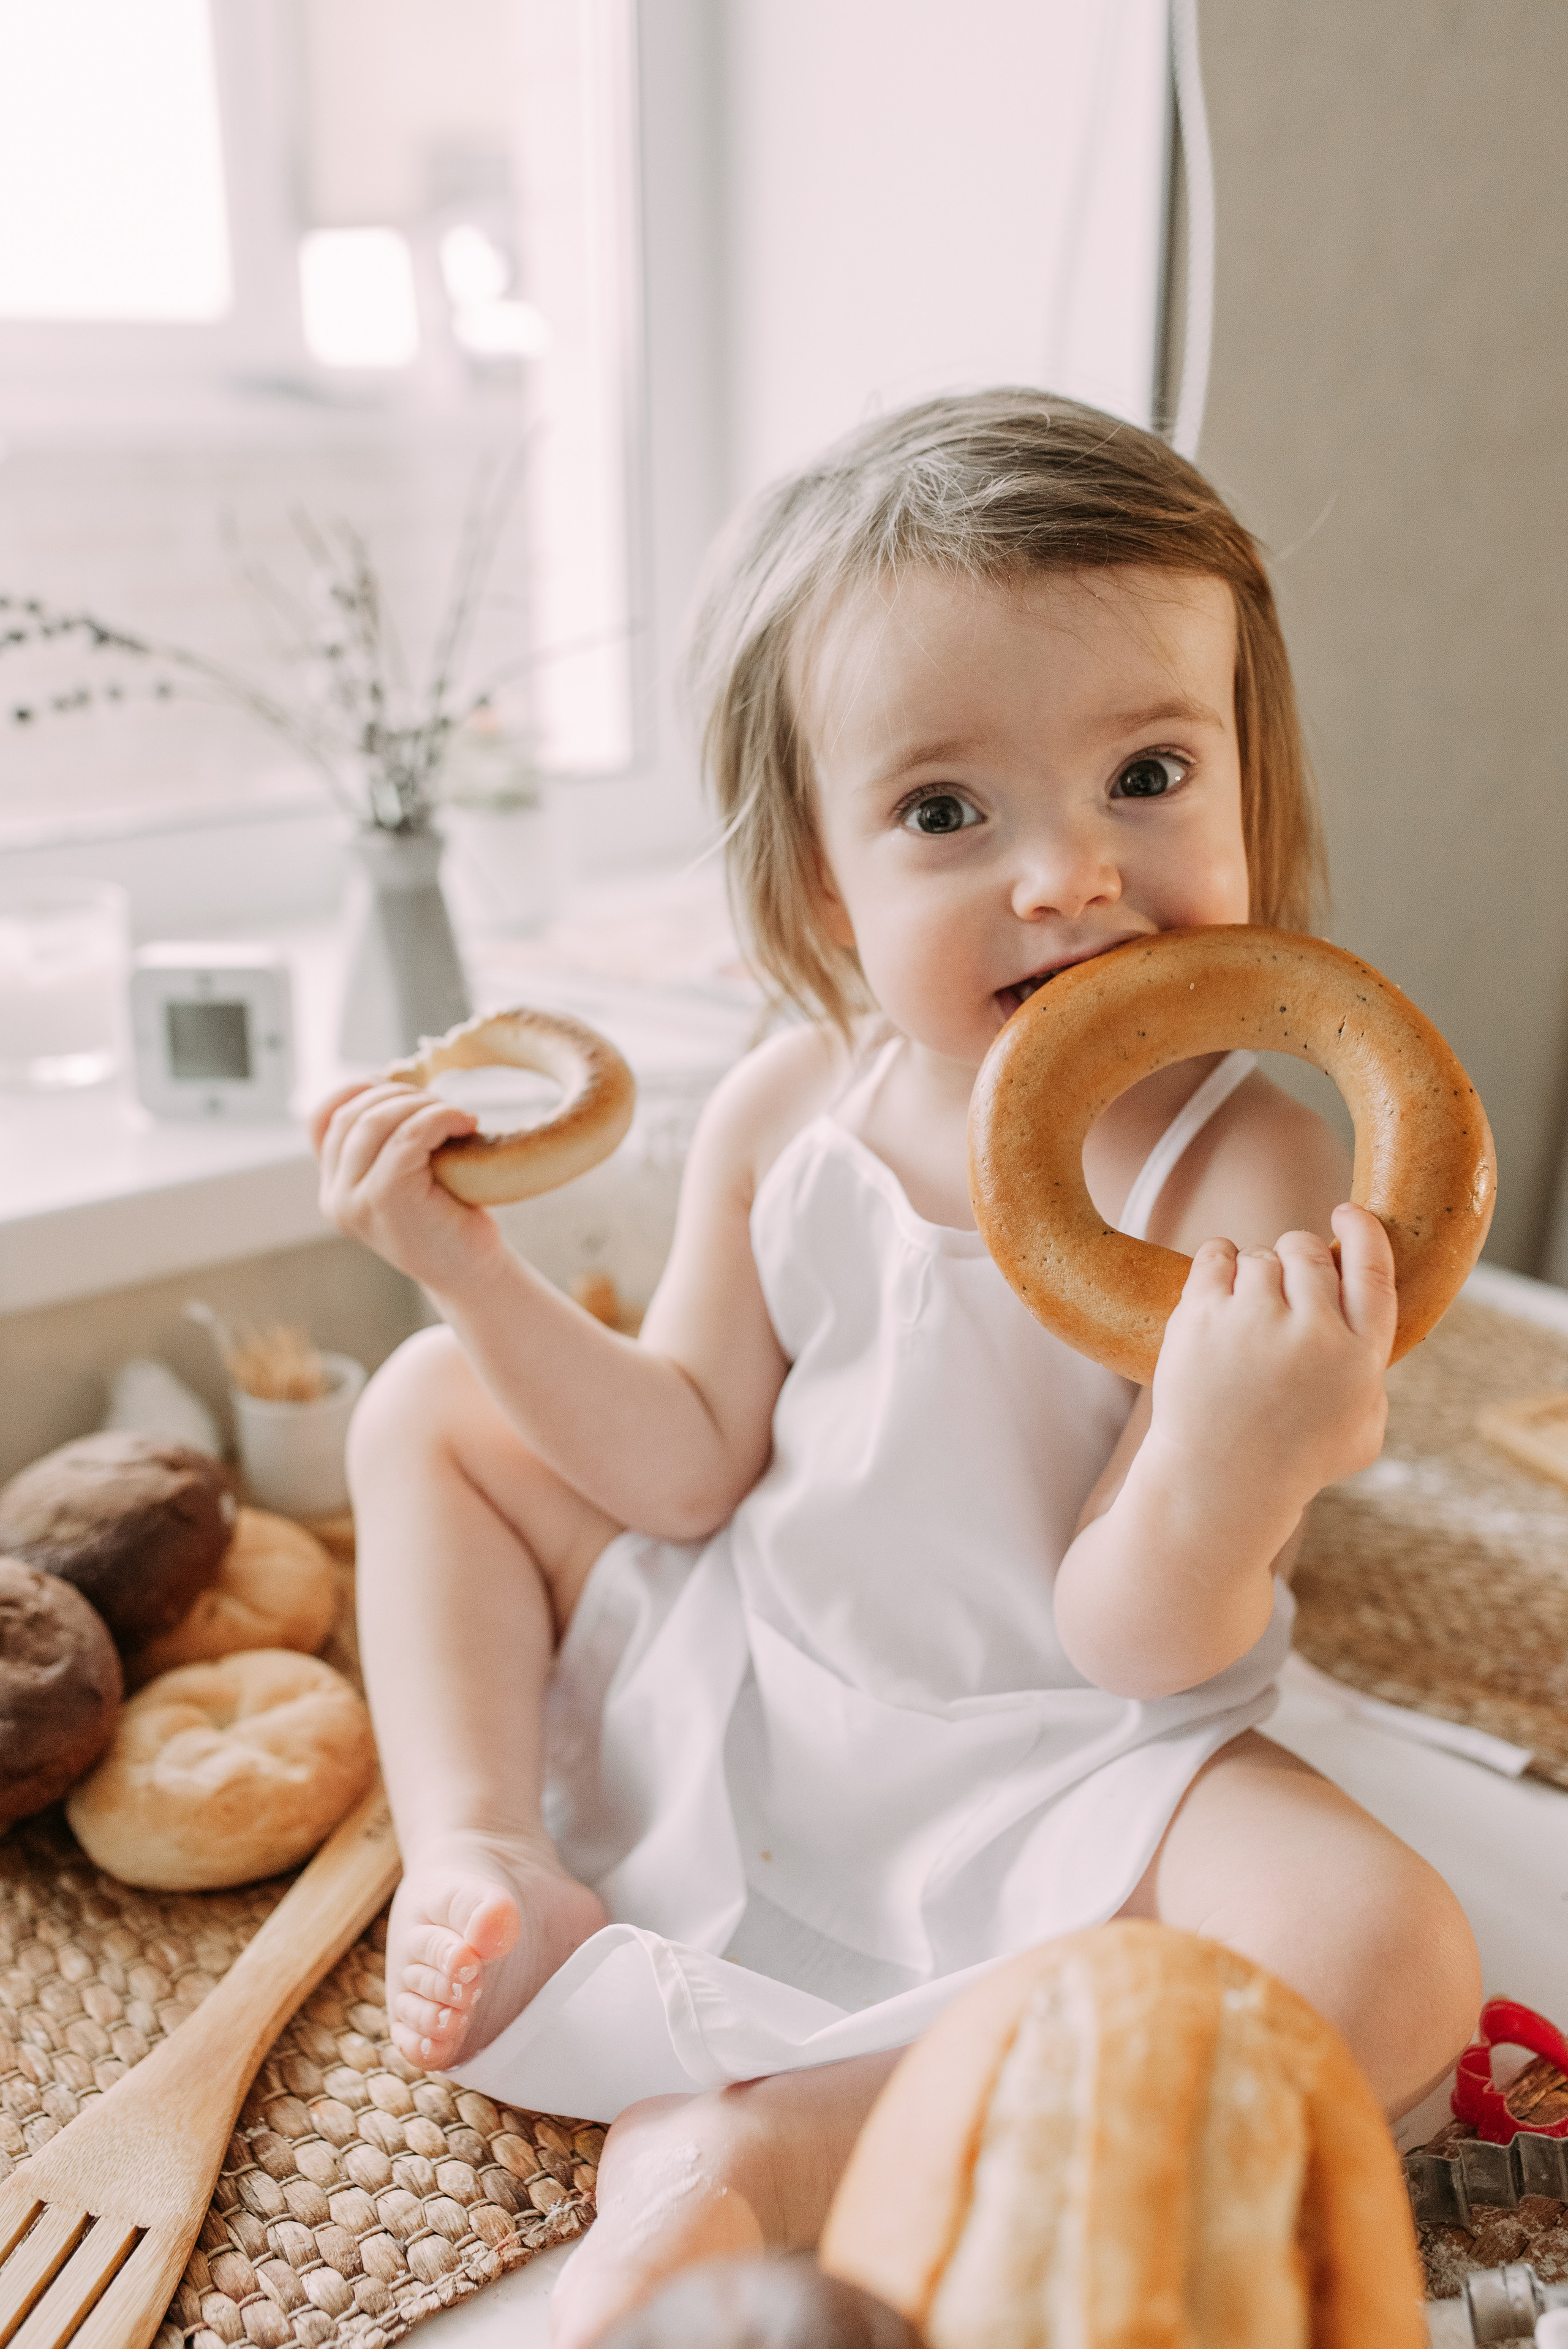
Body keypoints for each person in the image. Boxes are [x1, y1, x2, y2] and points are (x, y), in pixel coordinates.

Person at [313, 392, 1481, 2345]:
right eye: (951, 810)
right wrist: (465, 1268)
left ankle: (775, 2149)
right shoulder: (799, 1095)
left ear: (1253, 790)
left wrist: (1240, 1454)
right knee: (423, 1409)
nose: (1066, 875)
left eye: (1149, 771)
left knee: (1392, 1952)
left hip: (1080, 1754)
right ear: (823, 883)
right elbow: (685, 1464)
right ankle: (485, 1848)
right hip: (777, 1659)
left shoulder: (1254, 1163)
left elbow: (1141, 1640)